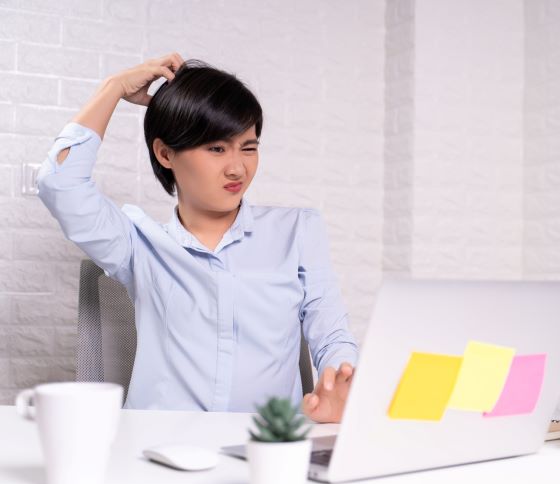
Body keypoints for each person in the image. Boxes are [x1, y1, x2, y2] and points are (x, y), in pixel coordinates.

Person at [36, 53, 357, 423]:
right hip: (157, 447)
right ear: (165, 153)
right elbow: (58, 182)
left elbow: (332, 336)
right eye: (217, 148)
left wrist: (341, 385)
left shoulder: (296, 231)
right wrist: (113, 88)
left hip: (262, 444)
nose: (237, 167)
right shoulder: (137, 244)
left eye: (248, 147)